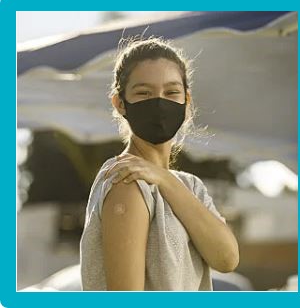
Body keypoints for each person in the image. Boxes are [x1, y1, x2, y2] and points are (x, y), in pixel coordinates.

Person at [80, 36, 239, 291]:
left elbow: (227, 258)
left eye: (171, 92)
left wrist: (164, 178)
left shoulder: (191, 186)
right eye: (143, 93)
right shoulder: (126, 180)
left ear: (187, 101)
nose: (159, 102)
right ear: (120, 103)